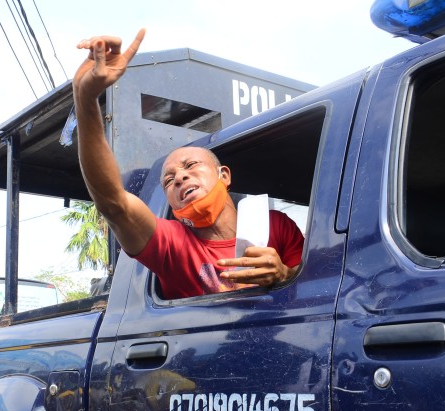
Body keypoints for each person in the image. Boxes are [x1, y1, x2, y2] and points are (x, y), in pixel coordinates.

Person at [73, 30, 304, 299]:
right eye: (168, 180)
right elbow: (113, 202)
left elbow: (315, 285)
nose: (180, 178)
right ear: (171, 203)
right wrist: (85, 98)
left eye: (191, 165)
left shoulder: (275, 225)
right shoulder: (172, 244)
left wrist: (284, 274)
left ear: (224, 175)